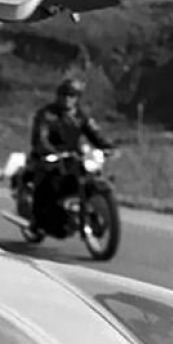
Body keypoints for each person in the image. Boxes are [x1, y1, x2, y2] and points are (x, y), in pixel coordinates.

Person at [29, 77, 115, 236]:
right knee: (47, 183)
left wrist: (107, 147)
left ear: (77, 98)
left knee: (90, 177)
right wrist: (50, 151)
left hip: (73, 158)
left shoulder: (81, 116)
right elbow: (40, 138)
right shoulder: (46, 115)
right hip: (48, 157)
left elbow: (94, 133)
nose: (67, 99)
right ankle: (37, 221)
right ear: (58, 96)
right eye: (64, 95)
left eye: (72, 95)